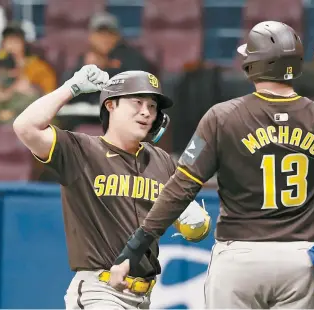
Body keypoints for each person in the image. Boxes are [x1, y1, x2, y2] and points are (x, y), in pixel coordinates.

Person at [107, 21, 314, 309]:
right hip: (300, 260)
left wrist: (135, 248)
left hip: (238, 259)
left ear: (251, 65)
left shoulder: (222, 117)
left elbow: (182, 187)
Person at [13, 65, 212, 309]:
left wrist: (195, 222)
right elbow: (25, 127)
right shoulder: (80, 150)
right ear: (111, 105)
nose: (146, 112)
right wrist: (71, 88)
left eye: (152, 106)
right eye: (137, 102)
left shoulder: (161, 160)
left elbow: (192, 227)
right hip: (100, 291)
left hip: (145, 296)